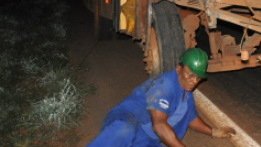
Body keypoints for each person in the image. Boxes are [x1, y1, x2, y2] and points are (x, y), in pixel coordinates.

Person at [87, 48, 236, 147]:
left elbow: (191, 118)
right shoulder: (164, 85)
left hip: (146, 138)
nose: (194, 81)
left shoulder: (186, 92)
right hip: (128, 118)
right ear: (178, 69)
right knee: (124, 129)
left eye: (198, 78)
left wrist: (213, 132)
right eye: (190, 75)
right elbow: (159, 125)